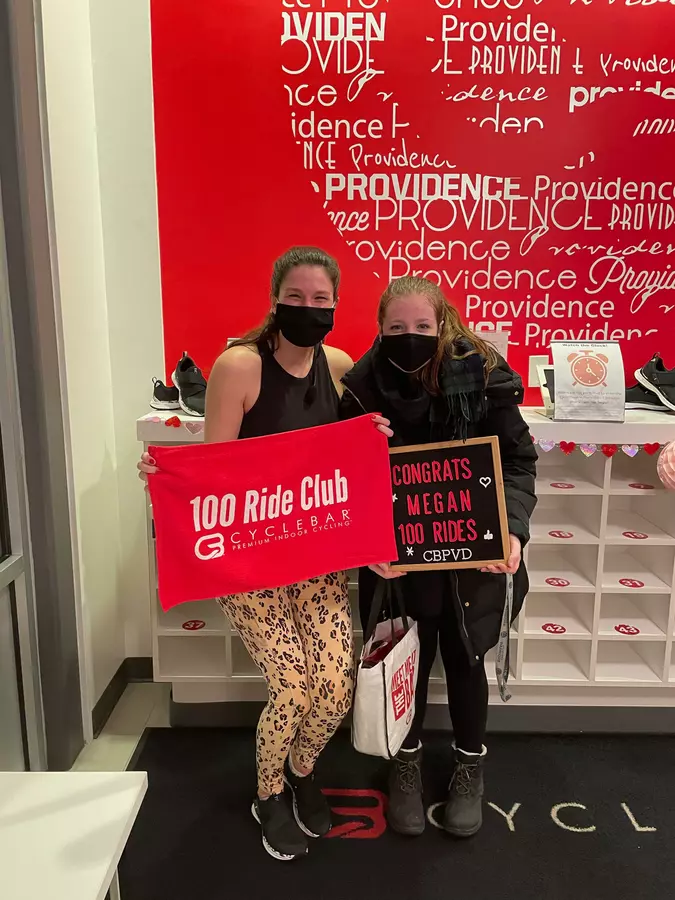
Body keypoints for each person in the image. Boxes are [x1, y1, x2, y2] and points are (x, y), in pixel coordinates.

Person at [137, 246, 391, 862]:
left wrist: (375, 436)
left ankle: (302, 772)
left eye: (321, 299)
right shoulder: (239, 366)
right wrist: (170, 477)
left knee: (333, 685)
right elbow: (216, 472)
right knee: (294, 686)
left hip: (313, 555)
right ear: (275, 299)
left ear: (336, 304)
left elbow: (348, 459)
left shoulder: (339, 365)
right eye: (296, 297)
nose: (309, 307)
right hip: (249, 558)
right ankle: (268, 793)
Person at [340, 275, 537, 839]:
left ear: (443, 321)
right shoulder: (361, 389)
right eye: (397, 327)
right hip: (397, 562)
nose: (411, 336)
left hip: (474, 557)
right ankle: (405, 761)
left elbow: (517, 461)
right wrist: (368, 541)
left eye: (422, 326)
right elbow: (344, 479)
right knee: (407, 660)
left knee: (467, 658)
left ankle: (470, 764)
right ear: (380, 329)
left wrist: (512, 530)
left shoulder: (485, 373)